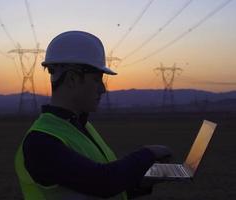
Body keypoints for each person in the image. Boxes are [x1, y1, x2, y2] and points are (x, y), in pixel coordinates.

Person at [14, 30, 172, 200]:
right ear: (72, 79)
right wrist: (148, 154)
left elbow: (93, 188)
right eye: (97, 79)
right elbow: (103, 182)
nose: (103, 89)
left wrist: (142, 183)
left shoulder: (81, 127)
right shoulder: (41, 142)